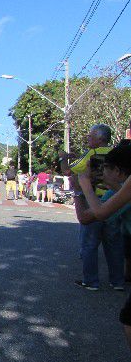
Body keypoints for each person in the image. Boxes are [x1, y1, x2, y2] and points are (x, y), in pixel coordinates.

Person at [73, 142, 131, 362]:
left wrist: (82, 187)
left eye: (105, 168)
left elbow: (93, 214)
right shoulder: (115, 191)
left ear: (119, 171)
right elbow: (88, 216)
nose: (101, 174)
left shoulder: (125, 188)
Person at [65, 124, 123, 292]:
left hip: (94, 199)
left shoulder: (92, 154)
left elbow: (71, 171)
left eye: (90, 136)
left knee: (89, 243)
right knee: (113, 243)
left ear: (100, 139)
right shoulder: (117, 154)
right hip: (115, 200)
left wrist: (64, 158)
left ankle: (91, 281)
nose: (88, 139)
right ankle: (117, 281)